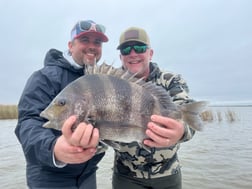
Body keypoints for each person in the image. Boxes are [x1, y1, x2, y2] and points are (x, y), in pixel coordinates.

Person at [15, 20, 109, 189]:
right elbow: (28, 123)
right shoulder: (44, 78)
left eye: (97, 42)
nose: (92, 46)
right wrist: (54, 149)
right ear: (70, 45)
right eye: (85, 40)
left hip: (88, 175)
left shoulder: (102, 82)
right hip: (50, 178)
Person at [112, 27, 196, 189]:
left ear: (150, 53)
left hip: (167, 173)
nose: (133, 53)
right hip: (126, 176)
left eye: (140, 48)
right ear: (121, 56)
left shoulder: (171, 81)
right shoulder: (110, 84)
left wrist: (181, 131)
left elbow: (189, 118)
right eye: (126, 49)